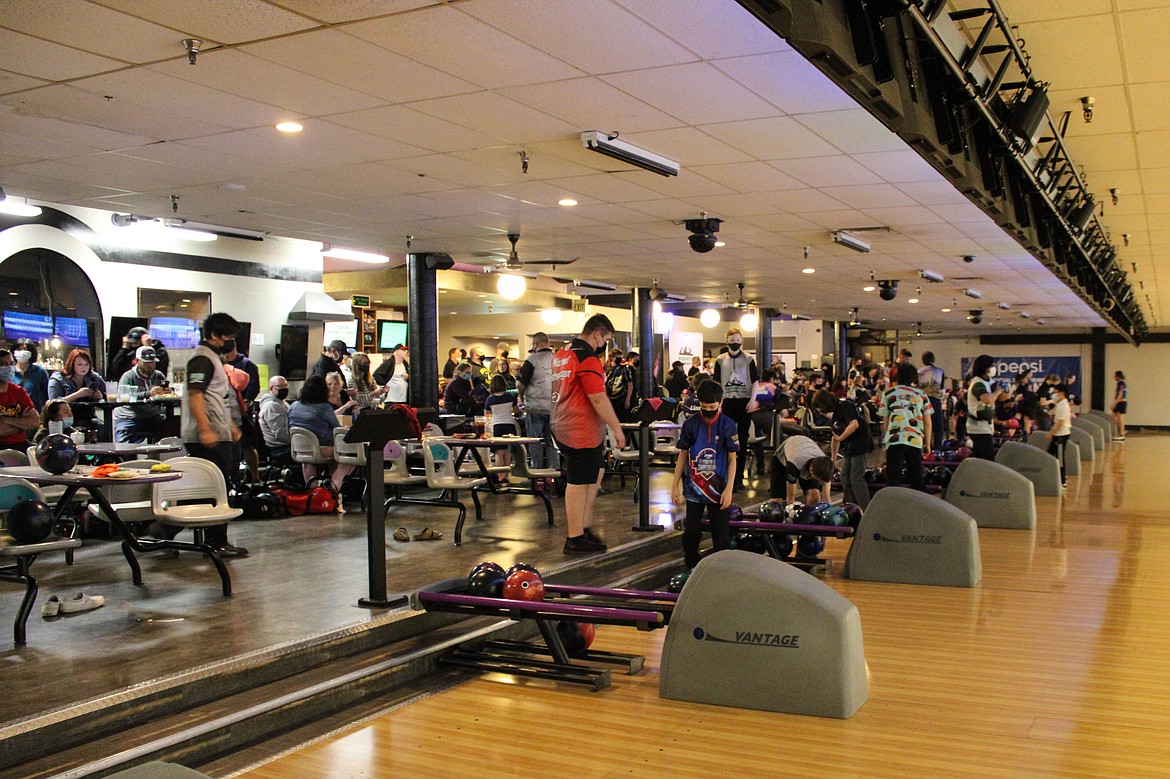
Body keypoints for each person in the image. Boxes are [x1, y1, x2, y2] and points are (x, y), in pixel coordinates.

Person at [551, 313, 625, 555]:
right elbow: (597, 397)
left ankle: (583, 526)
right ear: (597, 335)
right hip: (579, 427)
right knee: (578, 480)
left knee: (595, 473)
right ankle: (575, 536)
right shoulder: (586, 357)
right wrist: (616, 427)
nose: (605, 346)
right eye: (606, 340)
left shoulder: (562, 354)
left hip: (562, 421)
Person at [178, 312, 248, 557]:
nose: (231, 342)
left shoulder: (212, 359)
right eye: (228, 336)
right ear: (215, 336)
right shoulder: (202, 359)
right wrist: (206, 429)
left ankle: (161, 531)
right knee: (216, 488)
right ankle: (217, 541)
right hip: (207, 436)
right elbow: (195, 395)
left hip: (218, 431)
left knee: (206, 488)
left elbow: (217, 398)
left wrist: (229, 426)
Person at [671, 379, 738, 570]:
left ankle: (721, 572)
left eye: (712, 407)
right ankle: (692, 567)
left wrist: (729, 489)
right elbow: (683, 455)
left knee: (721, 535)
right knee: (691, 533)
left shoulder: (728, 425)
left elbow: (733, 459)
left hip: (719, 489)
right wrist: (674, 485)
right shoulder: (691, 425)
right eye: (704, 406)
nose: (708, 410)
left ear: (720, 403)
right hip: (694, 489)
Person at [288, 374, 355, 493]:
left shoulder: (293, 406)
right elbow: (336, 429)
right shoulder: (324, 408)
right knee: (348, 455)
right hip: (322, 448)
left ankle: (312, 491)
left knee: (308, 461)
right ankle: (333, 487)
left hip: (299, 449)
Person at [712, 327, 758, 491]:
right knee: (726, 440)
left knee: (742, 440)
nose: (735, 344)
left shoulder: (748, 358)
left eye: (738, 341)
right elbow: (717, 382)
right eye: (732, 341)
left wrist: (752, 400)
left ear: (742, 341)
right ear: (726, 342)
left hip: (744, 401)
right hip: (727, 402)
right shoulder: (720, 360)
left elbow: (755, 381)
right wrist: (718, 402)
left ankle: (738, 477)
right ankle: (725, 476)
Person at [879, 362, 932, 491]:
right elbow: (928, 422)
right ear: (914, 378)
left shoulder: (888, 394)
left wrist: (887, 439)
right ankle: (921, 505)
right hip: (915, 438)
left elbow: (885, 421)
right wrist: (928, 442)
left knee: (893, 478)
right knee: (916, 476)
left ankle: (893, 506)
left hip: (894, 439)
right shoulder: (922, 395)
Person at [517, 332, 557, 471]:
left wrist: (521, 399)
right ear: (548, 342)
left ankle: (537, 472)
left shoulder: (532, 360)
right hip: (554, 407)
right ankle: (553, 472)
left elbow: (520, 384)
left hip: (535, 407)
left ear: (535, 345)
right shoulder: (557, 359)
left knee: (534, 441)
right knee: (550, 441)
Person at [113, 345, 169, 443]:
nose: (150, 365)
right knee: (124, 443)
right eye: (146, 363)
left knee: (170, 426)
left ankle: (160, 455)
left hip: (152, 417)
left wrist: (166, 393)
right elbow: (123, 398)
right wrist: (148, 393)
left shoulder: (159, 376)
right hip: (129, 417)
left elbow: (164, 395)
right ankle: (124, 456)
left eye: (152, 362)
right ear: (137, 361)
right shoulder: (129, 376)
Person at [832, 388, 873, 509]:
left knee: (856, 477)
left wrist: (841, 438)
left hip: (861, 443)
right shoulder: (835, 415)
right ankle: (850, 506)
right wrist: (833, 460)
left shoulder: (845, 406)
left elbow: (854, 425)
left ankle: (866, 509)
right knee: (844, 476)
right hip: (851, 446)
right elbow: (834, 438)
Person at [48, 348, 105, 433]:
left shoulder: (93, 377)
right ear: (72, 364)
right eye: (80, 364)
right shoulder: (58, 378)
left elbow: (108, 393)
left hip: (88, 417)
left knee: (102, 427)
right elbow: (53, 403)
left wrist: (100, 396)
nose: (84, 368)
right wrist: (77, 395)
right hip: (66, 418)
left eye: (86, 364)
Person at [770, 434, 834, 505]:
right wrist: (791, 511)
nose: (819, 483)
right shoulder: (794, 464)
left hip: (805, 449)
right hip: (781, 460)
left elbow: (826, 497)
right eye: (818, 480)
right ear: (811, 471)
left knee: (815, 495)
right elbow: (790, 497)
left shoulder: (825, 465)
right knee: (776, 501)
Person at [966, 355, 1006, 460]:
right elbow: (987, 399)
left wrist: (1002, 393)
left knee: (980, 458)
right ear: (985, 367)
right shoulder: (977, 383)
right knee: (988, 458)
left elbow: (1002, 396)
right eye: (992, 366)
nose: (994, 368)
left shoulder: (988, 382)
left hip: (986, 426)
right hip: (978, 428)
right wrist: (997, 392)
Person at [0, 348, 40, 448]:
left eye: (11, 363)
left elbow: (34, 422)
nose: (9, 367)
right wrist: (21, 423)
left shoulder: (19, 392)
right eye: (3, 364)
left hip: (21, 445)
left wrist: (5, 420)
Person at [746, 369, 778, 475]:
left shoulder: (755, 387)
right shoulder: (772, 387)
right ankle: (774, 467)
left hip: (752, 418)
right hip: (767, 417)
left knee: (757, 441)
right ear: (771, 379)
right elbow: (778, 403)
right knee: (778, 438)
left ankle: (760, 467)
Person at [484, 374, 518, 474]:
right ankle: (507, 475)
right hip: (510, 425)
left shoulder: (490, 399)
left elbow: (487, 414)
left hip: (497, 425)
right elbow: (516, 411)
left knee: (499, 452)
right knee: (507, 452)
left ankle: (501, 476)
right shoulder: (510, 397)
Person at [258, 375, 292, 461]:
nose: (284, 389)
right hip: (279, 448)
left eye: (286, 386)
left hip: (287, 445)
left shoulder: (283, 403)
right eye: (280, 387)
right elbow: (280, 434)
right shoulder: (271, 406)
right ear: (271, 388)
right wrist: (297, 440)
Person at [918, 351, 945, 450]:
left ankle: (923, 447)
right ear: (933, 359)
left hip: (922, 400)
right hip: (935, 399)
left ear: (923, 360)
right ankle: (936, 449)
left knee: (924, 425)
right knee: (938, 428)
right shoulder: (940, 371)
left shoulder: (919, 372)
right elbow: (941, 386)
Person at [12, 338, 49, 411]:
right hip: (11, 414)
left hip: (34, 415)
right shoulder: (8, 371)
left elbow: (46, 396)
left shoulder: (40, 372)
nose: (22, 352)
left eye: (26, 350)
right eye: (19, 349)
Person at [1047, 383, 1072, 490]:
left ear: (1061, 393)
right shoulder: (1061, 403)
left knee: (1060, 458)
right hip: (1058, 435)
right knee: (1050, 455)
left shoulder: (1063, 405)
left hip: (1061, 435)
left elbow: (1061, 422)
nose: (1054, 394)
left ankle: (1062, 482)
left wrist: (1051, 433)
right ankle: (1054, 476)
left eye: (1055, 392)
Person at [348, 352, 384, 417]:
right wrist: (373, 394)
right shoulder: (352, 380)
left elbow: (376, 400)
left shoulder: (370, 379)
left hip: (371, 409)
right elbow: (358, 402)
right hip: (360, 411)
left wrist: (384, 394)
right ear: (357, 365)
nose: (367, 365)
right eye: (364, 363)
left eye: (368, 363)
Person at [604, 349, 634, 422]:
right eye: (617, 357)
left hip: (621, 399)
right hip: (610, 399)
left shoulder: (624, 369)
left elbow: (630, 384)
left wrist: (627, 400)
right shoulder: (608, 370)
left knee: (622, 420)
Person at [1112, 371, 1127, 441]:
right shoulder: (1121, 383)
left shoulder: (1121, 383)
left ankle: (1121, 433)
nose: (1114, 377)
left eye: (1115, 376)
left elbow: (1120, 393)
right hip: (1120, 402)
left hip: (1121, 402)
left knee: (1120, 418)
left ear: (1118, 376)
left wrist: (1115, 403)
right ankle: (1121, 430)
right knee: (1114, 416)